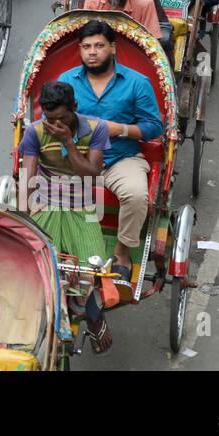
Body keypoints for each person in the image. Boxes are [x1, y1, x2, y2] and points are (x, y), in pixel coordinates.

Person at [59, 20, 164, 282]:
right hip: (77, 157)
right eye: (86, 47)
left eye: (98, 46)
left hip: (120, 157)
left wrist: (121, 129)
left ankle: (122, 251)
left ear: (113, 48)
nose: (92, 52)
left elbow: (153, 127)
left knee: (137, 195)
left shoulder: (137, 82)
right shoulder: (66, 81)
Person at [16, 80, 114, 354]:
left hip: (82, 206)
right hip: (45, 204)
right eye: (49, 118)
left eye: (62, 118)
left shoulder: (96, 129)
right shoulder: (35, 132)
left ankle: (94, 320)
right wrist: (23, 222)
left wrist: (68, 143)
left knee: (91, 273)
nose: (55, 124)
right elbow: (28, 181)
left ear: (75, 109)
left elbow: (91, 173)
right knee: (34, 268)